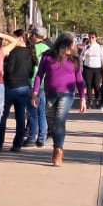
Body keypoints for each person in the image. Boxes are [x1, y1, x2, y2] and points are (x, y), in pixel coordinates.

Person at [32, 32, 85, 167]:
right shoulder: (48, 57)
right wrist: (35, 92)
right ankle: (57, 145)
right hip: (50, 93)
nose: (75, 46)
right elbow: (39, 75)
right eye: (73, 43)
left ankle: (58, 151)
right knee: (52, 123)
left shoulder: (74, 59)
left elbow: (79, 80)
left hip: (67, 94)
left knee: (60, 121)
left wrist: (83, 98)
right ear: (64, 44)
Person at [0, 31, 36, 152]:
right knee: (20, 117)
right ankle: (17, 144)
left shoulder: (14, 52)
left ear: (20, 39)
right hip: (24, 86)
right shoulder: (31, 52)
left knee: (3, 115)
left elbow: (9, 70)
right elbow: (31, 72)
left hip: (10, 86)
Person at [81, 33, 103, 110]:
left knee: (97, 85)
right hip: (88, 68)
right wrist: (84, 54)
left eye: (93, 37)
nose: (91, 39)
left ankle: (97, 99)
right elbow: (81, 58)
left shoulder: (100, 47)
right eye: (89, 37)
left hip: (97, 68)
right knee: (89, 86)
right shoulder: (86, 46)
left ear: (96, 38)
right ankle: (90, 102)